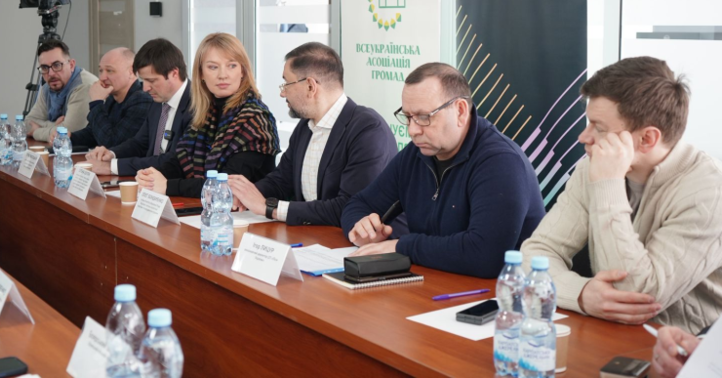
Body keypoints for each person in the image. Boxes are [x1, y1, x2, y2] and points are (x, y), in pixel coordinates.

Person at [521, 57, 722, 332]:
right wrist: (580, 293)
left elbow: (633, 294)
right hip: (609, 334)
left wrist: (608, 184)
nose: (583, 137)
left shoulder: (710, 193)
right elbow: (535, 253)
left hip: (686, 347)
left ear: (647, 139)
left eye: (599, 128)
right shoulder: (592, 167)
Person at [340, 62, 544, 278]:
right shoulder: (416, 153)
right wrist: (361, 228)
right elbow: (359, 204)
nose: (413, 130)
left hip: (503, 291)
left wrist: (402, 246)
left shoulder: (501, 162)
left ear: (460, 111)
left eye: (424, 117)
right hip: (436, 279)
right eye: (408, 117)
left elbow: (485, 255)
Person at [228, 42, 396, 226]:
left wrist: (269, 208)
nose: (282, 93)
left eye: (286, 84)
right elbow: (282, 180)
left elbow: (351, 208)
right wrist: (244, 194)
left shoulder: (368, 130)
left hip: (357, 240)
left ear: (310, 86)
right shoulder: (305, 126)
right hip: (312, 236)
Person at [137, 33, 280, 198]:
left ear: (242, 71)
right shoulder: (206, 113)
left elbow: (227, 185)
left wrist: (167, 186)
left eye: (232, 66)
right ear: (201, 74)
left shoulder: (256, 119)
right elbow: (180, 160)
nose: (223, 75)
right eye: (213, 67)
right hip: (207, 207)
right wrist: (151, 176)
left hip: (245, 212)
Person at [85, 38, 192, 176]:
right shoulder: (158, 99)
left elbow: (174, 161)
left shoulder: (196, 106)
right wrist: (112, 153)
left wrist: (112, 167)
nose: (145, 88)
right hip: (148, 181)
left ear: (174, 74)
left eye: (151, 80)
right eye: (143, 80)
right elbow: (140, 143)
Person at [52, 48, 151, 149]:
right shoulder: (112, 98)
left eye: (110, 71)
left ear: (131, 72)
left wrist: (96, 103)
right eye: (101, 70)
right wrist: (69, 138)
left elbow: (113, 144)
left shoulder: (142, 99)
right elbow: (93, 134)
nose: (103, 77)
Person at [26, 39, 98, 142]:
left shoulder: (83, 86)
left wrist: (36, 132)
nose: (51, 73)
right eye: (44, 67)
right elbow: (28, 122)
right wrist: (54, 125)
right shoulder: (48, 86)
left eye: (56, 65)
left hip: (92, 149)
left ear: (71, 65)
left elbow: (67, 133)